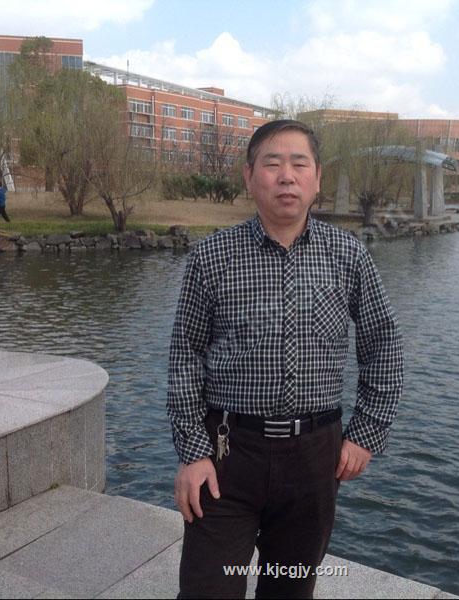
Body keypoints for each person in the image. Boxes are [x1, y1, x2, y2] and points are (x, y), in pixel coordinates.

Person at [167, 119, 403, 599]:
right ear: (249, 177)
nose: (286, 176)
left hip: (314, 459)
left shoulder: (349, 255)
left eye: (300, 164)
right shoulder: (212, 257)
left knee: (289, 589)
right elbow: (185, 356)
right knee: (208, 588)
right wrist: (192, 452)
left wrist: (366, 433)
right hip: (227, 454)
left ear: (317, 178)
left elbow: (383, 345)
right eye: (272, 164)